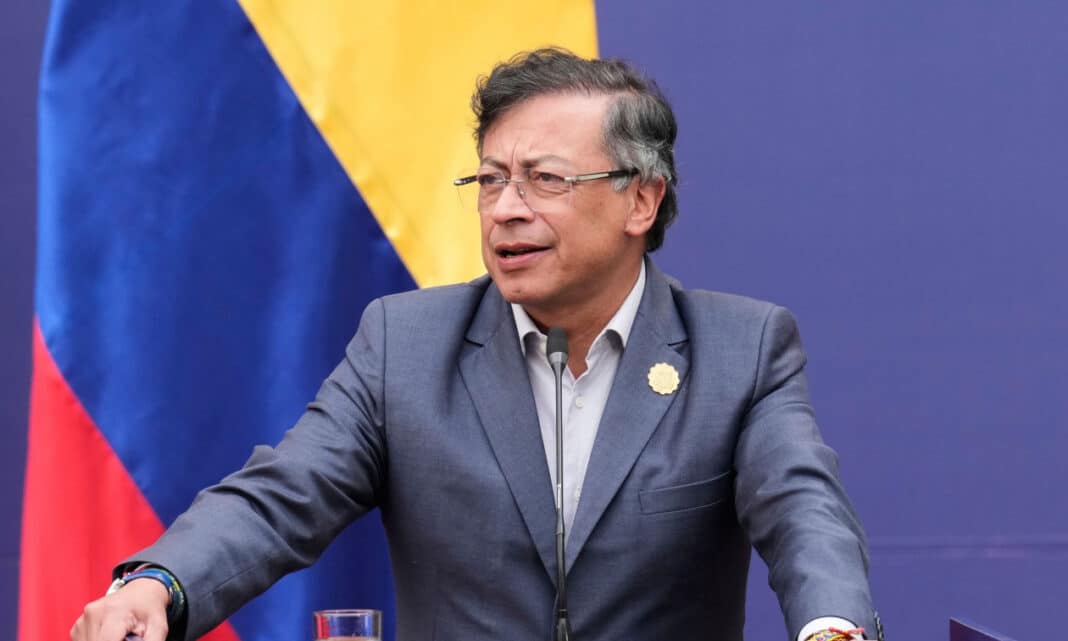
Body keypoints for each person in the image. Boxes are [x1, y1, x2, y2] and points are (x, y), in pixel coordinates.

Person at [71, 48, 882, 641]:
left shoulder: (740, 350)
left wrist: (833, 627)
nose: (505, 209)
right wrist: (160, 583)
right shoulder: (405, 344)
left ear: (641, 199)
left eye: (545, 179)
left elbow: (804, 512)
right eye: (491, 179)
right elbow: (281, 496)